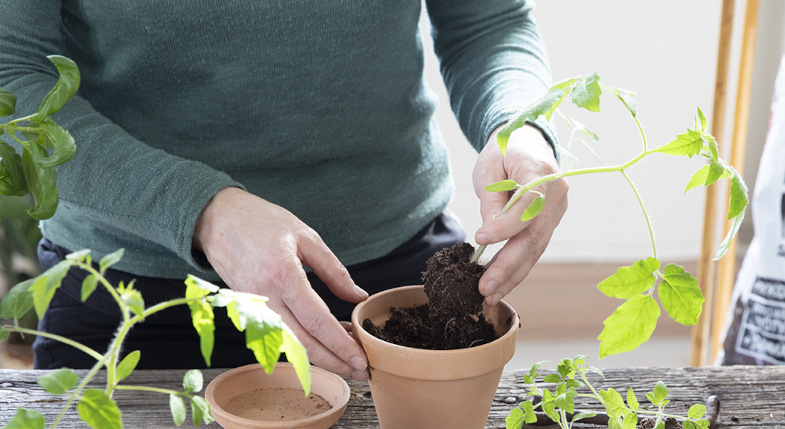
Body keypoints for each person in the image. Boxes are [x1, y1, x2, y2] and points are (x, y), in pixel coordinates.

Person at [0, 1, 568, 381]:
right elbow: (10, 72)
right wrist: (200, 211)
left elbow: (486, 22)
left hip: (385, 276)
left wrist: (522, 128)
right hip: (128, 290)